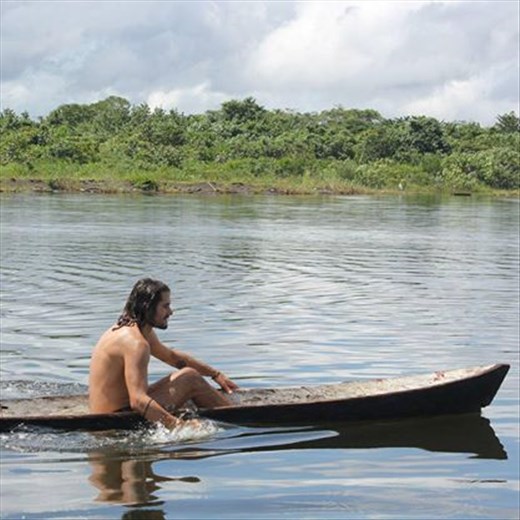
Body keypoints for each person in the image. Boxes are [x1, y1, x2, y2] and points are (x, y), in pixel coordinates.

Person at [89, 278, 238, 429]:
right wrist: (179, 426)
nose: (171, 312)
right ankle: (238, 417)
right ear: (148, 307)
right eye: (165, 306)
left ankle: (229, 410)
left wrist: (215, 374)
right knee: (190, 378)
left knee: (188, 379)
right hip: (117, 417)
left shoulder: (132, 330)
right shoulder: (136, 343)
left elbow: (172, 357)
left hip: (108, 409)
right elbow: (138, 400)